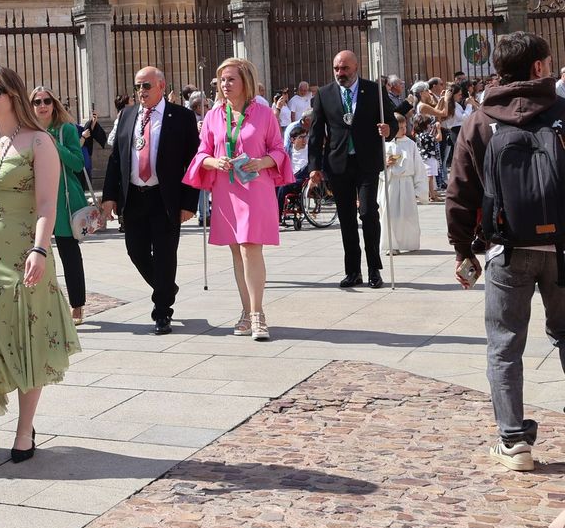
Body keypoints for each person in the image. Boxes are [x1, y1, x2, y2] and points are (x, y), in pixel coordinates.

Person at [445, 31, 565, 473]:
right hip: (562, 249)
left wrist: (463, 250)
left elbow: (459, 193)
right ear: (536, 68)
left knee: (504, 344)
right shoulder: (562, 112)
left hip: (505, 249)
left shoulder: (479, 121)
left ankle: (513, 440)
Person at [0, 67, 80, 467]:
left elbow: (45, 204)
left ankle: (25, 432)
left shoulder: (40, 141)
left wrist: (40, 251)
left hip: (25, 253)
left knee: (28, 337)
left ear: (13, 94)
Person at [185, 58, 291, 341]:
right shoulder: (213, 116)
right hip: (226, 190)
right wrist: (213, 162)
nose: (225, 85)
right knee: (236, 250)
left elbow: (279, 150)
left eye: (230, 79)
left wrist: (263, 162)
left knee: (250, 248)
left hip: (255, 188)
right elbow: (201, 153)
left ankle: (258, 315)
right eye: (221, 80)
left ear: (245, 81)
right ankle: (245, 312)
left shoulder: (264, 113)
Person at [101, 66, 201, 334]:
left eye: (146, 86)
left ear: (161, 85)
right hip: (134, 197)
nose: (141, 92)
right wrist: (109, 196)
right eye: (138, 86)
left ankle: (162, 311)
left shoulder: (181, 117)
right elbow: (116, 159)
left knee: (166, 255)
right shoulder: (127, 116)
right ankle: (166, 286)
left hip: (165, 198)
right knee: (136, 252)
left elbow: (194, 162)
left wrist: (190, 203)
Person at [306, 50, 394, 289]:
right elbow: (315, 134)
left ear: (356, 67)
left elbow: (392, 122)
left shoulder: (373, 90)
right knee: (346, 218)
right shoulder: (324, 94)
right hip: (338, 164)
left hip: (366, 162)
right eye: (336, 69)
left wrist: (389, 130)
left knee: (367, 213)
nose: (340, 73)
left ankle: (374, 269)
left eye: (344, 69)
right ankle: (353, 271)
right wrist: (314, 167)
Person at [31, 86, 96, 325]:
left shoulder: (65, 129)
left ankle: (76, 305)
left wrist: (52, 143)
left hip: (63, 200)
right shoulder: (28, 131)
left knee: (70, 256)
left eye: (47, 100)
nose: (42, 105)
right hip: (36, 201)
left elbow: (77, 163)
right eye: (37, 102)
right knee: (39, 256)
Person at [380, 113, 425, 254]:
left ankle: (409, 242)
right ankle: (392, 245)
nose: (403, 130)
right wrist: (385, 164)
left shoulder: (410, 144)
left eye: (405, 126)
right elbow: (376, 166)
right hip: (390, 183)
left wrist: (420, 189)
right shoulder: (385, 144)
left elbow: (418, 166)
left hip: (406, 184)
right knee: (390, 215)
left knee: (407, 215)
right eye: (400, 127)